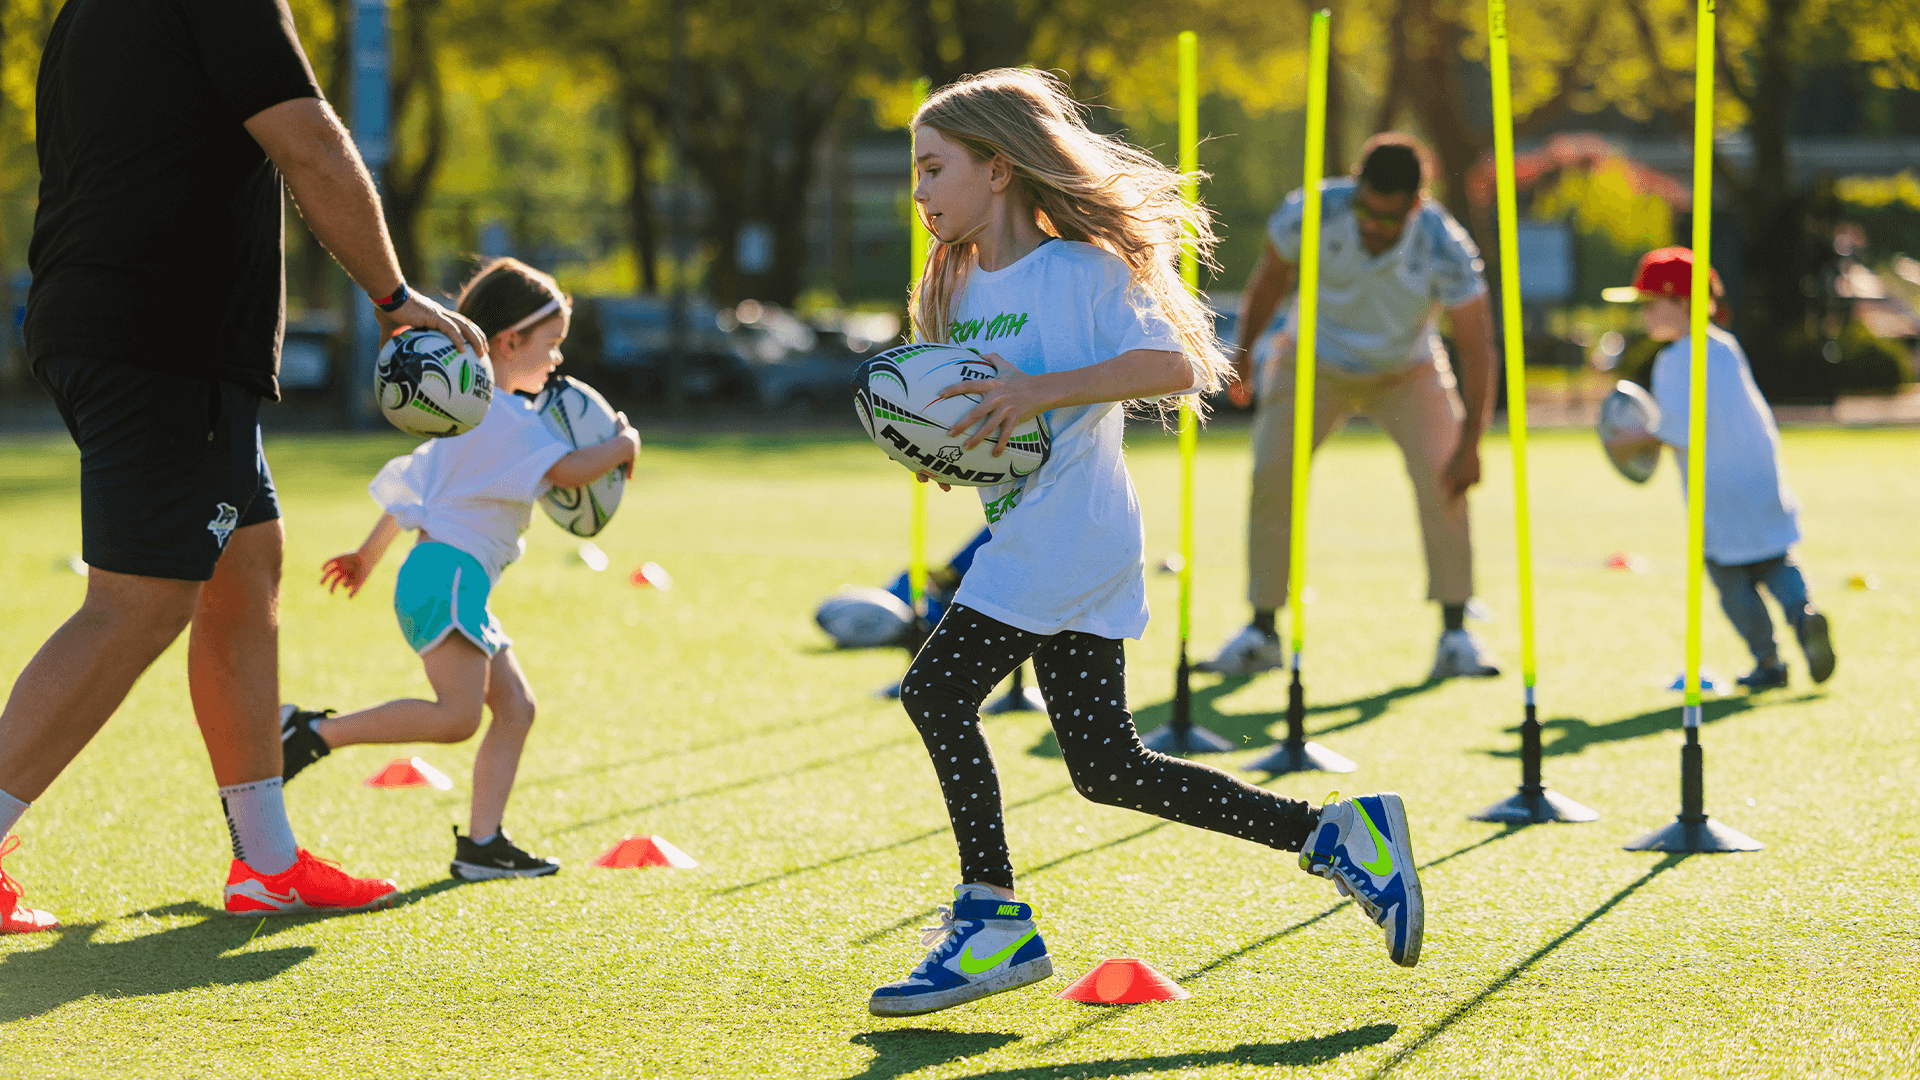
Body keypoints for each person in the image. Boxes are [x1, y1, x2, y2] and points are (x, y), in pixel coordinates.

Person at [867, 69, 1424, 1019]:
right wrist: (950, 451)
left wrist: (1036, 394)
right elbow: (981, 412)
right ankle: (1337, 836)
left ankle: (992, 918)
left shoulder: (1081, 270)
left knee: (935, 690)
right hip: (1032, 529)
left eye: (933, 167)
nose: (918, 190)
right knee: (1108, 767)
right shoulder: (952, 281)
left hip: (1072, 533)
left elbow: (1175, 364)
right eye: (915, 171)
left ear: (998, 169)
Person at [0, 0, 488, 933]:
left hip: (125, 328)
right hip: (161, 339)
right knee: (139, 600)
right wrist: (394, 296)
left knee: (245, 568)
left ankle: (266, 864)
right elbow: (310, 140)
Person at [279, 259, 640, 880]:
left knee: (516, 708)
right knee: (457, 717)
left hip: (448, 580)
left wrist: (367, 556)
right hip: (448, 579)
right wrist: (624, 445)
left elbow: (412, 491)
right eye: (552, 343)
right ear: (511, 342)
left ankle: (482, 845)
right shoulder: (506, 417)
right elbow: (568, 472)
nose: (557, 360)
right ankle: (313, 732)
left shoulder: (465, 414)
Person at [1198, 135, 1502, 681]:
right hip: (1311, 360)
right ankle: (1262, 630)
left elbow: (1478, 346)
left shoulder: (1445, 245)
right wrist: (1243, 358)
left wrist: (1472, 444)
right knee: (1272, 474)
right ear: (1357, 190)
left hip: (1407, 367)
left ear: (1416, 204)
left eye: (1390, 218)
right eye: (1366, 211)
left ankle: (1456, 633)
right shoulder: (1311, 212)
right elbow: (1270, 280)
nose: (1374, 227)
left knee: (1446, 476)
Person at [1602, 247, 1837, 689]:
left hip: (1718, 491)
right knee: (1776, 559)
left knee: (1730, 579)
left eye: (1650, 304)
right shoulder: (1726, 347)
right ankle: (1803, 616)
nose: (1644, 314)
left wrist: (1627, 441)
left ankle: (1769, 661)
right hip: (1762, 479)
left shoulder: (1675, 360)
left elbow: (1678, 427)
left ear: (1681, 302)